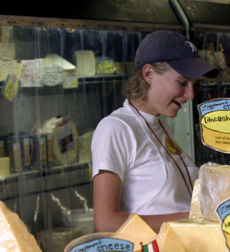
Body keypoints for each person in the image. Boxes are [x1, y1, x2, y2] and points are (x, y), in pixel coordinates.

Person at [92, 30, 218, 232]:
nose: (190, 95)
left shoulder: (158, 124)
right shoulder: (115, 128)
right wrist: (193, 218)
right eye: (182, 83)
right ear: (148, 74)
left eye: (194, 85)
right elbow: (107, 222)